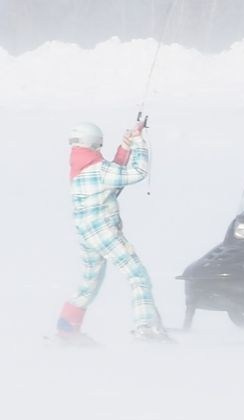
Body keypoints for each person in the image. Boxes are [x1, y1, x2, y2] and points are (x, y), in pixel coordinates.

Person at [57, 118, 165, 342]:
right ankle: (146, 328)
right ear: (95, 144)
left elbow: (112, 178)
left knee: (89, 285)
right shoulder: (99, 169)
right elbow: (138, 172)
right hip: (103, 231)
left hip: (86, 235)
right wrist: (139, 144)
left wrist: (125, 146)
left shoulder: (79, 168)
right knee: (138, 276)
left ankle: (66, 333)